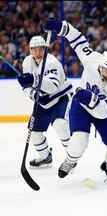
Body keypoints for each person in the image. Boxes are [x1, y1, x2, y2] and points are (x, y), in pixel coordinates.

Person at [45, 19, 107, 181]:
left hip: (100, 110)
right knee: (79, 140)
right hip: (80, 105)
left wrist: (91, 99)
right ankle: (70, 160)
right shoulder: (92, 59)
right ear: (101, 66)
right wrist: (61, 27)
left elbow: (106, 110)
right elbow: (77, 39)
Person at [17, 35, 73, 168]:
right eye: (34, 49)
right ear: (30, 50)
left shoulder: (52, 62)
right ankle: (45, 157)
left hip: (60, 98)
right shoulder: (27, 62)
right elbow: (26, 87)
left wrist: (33, 79)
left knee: (61, 125)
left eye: (40, 49)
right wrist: (32, 93)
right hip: (43, 101)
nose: (37, 52)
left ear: (44, 49)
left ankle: (72, 159)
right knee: (35, 133)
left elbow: (52, 86)